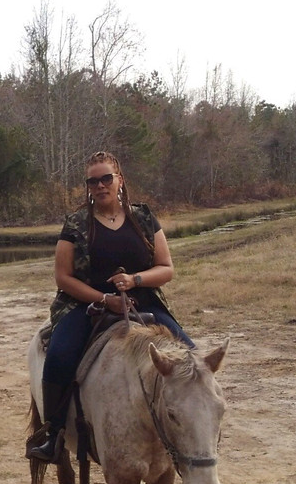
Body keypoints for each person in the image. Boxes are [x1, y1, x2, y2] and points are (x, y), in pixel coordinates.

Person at [27, 151, 195, 463]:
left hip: (141, 301)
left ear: (119, 180)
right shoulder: (76, 223)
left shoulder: (143, 218)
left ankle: (193, 426)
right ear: (88, 186)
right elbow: (63, 277)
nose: (100, 185)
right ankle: (53, 435)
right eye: (93, 181)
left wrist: (135, 280)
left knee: (190, 355)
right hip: (85, 305)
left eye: (106, 178)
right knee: (60, 356)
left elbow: (166, 268)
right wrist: (104, 299)